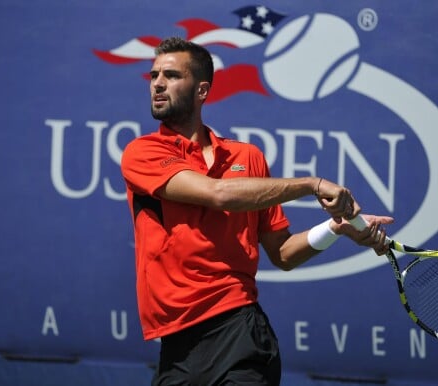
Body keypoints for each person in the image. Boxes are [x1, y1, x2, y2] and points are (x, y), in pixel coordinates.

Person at [120, 36, 394, 386]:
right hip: (176, 348)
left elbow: (282, 253)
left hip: (240, 334)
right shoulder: (142, 152)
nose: (157, 83)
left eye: (171, 76)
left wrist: (335, 229)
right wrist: (311, 184)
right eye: (154, 75)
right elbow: (217, 194)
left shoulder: (247, 158)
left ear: (202, 90)